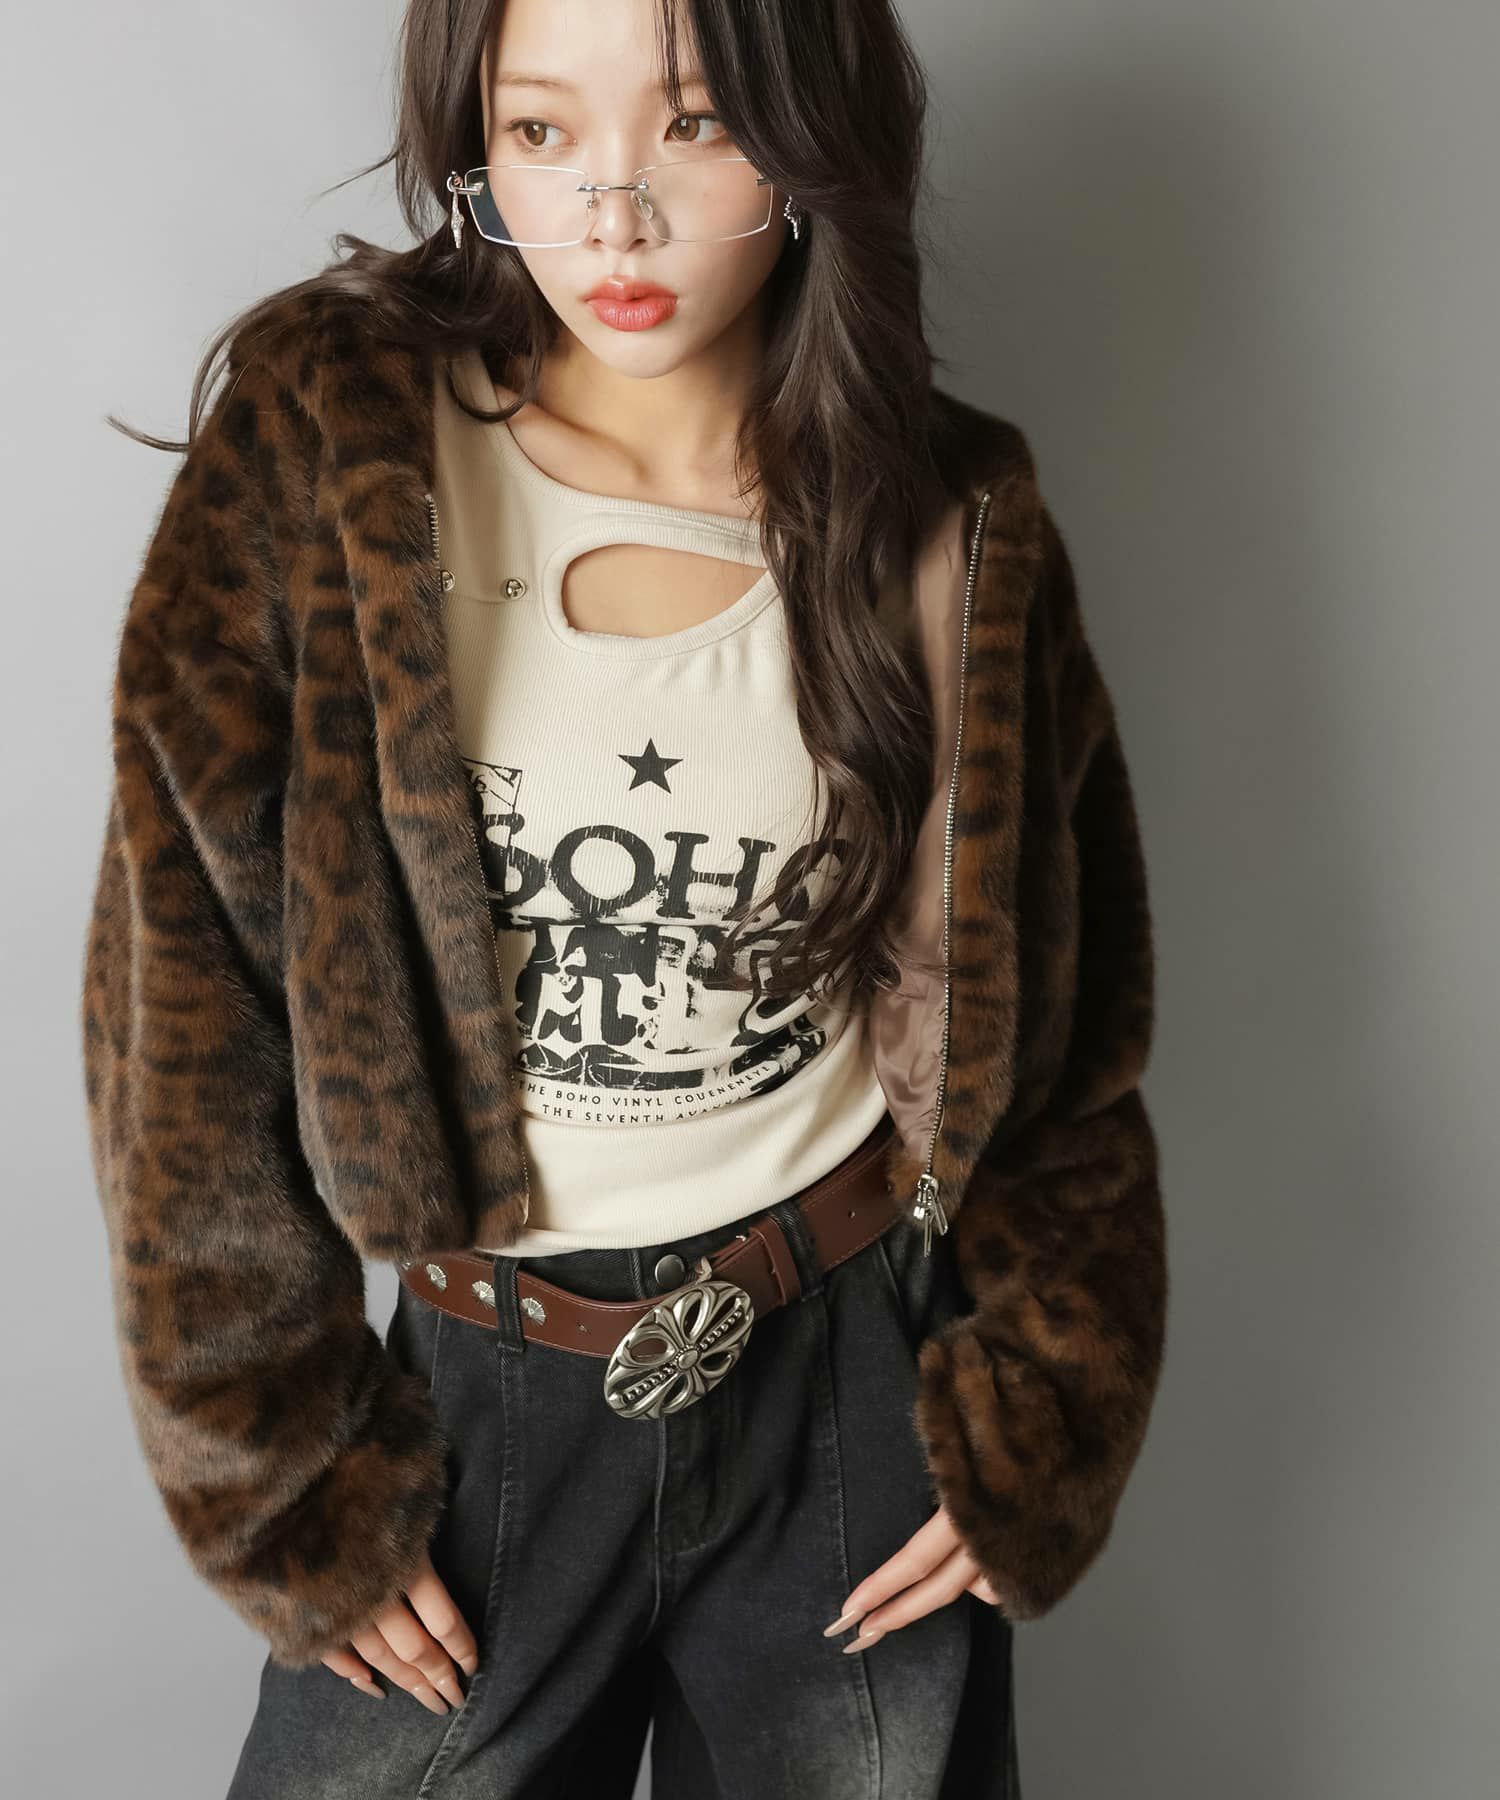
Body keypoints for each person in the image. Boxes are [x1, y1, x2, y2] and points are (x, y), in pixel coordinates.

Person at [78, 0, 1167, 1794]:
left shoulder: (954, 524)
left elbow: (1064, 1034)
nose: (614, 214)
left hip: (843, 1384)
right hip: (478, 1400)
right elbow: (182, 1002)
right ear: (474, 145)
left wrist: (1038, 1413)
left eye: (695, 125)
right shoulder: (331, 451)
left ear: (809, 142)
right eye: (540, 133)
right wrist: (283, 1477)